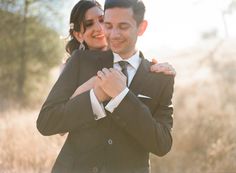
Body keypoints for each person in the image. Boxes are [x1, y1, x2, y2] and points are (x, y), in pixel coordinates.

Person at [37, 0, 174, 173]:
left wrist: (122, 97)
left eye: (123, 26)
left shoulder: (160, 77)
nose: (111, 33)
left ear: (141, 27)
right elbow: (46, 122)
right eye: (108, 25)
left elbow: (162, 144)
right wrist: (95, 97)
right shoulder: (80, 61)